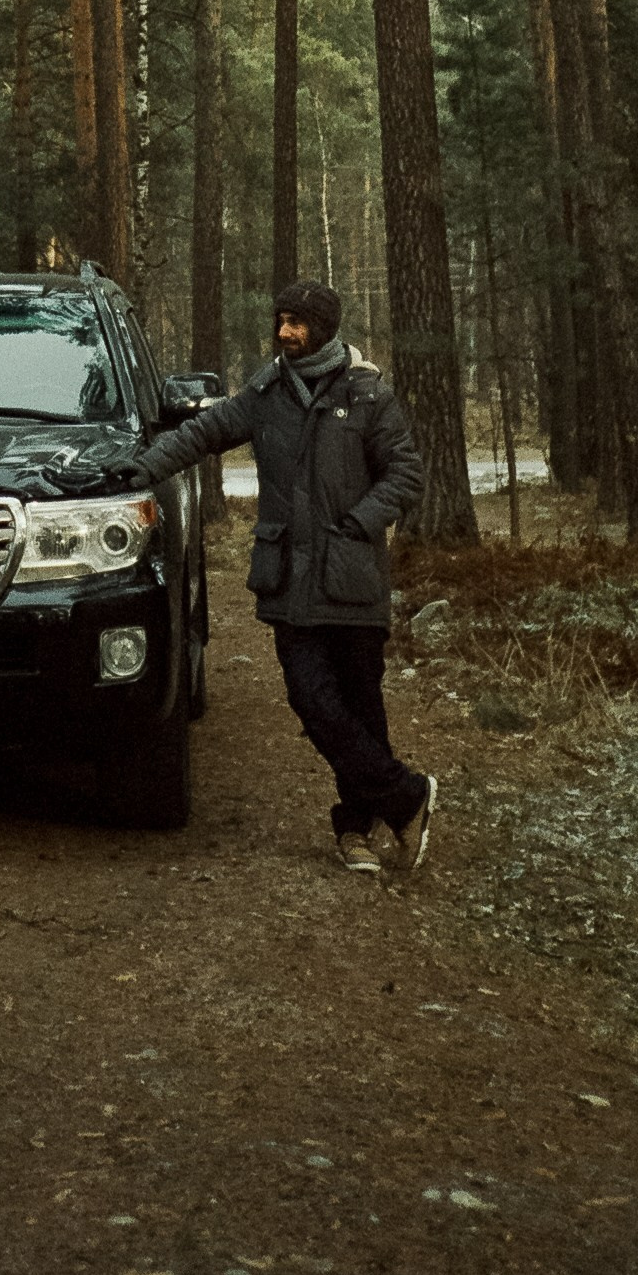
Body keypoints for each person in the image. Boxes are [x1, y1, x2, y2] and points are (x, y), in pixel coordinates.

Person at [133, 279, 435, 874]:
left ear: (324, 328)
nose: (285, 332)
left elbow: (406, 475)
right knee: (311, 699)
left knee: (361, 707)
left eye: (297, 323)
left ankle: (356, 828)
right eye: (281, 321)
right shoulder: (265, 392)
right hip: (290, 582)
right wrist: (138, 469)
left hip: (351, 578)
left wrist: (357, 523)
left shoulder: (368, 394)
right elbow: (203, 433)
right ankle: (406, 795)